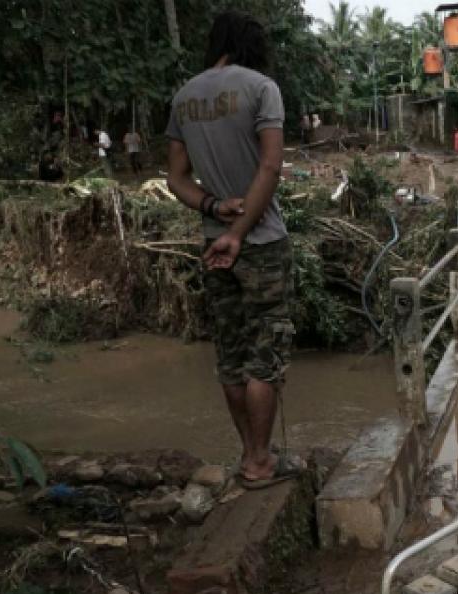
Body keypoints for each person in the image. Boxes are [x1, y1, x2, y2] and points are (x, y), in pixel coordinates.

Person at [165, 10, 303, 490]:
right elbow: (269, 169)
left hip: (212, 244)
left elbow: (176, 179)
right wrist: (241, 231)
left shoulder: (184, 96)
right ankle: (262, 463)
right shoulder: (262, 88)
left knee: (230, 355)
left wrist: (213, 207)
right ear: (252, 46)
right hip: (259, 243)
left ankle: (249, 454)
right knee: (264, 356)